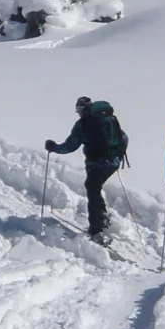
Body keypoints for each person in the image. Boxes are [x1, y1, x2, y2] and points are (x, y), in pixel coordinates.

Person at [44, 95, 129, 245]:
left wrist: (54, 147)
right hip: (113, 162)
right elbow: (124, 138)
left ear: (82, 110)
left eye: (78, 110)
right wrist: (118, 154)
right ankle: (102, 216)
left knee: (93, 189)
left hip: (96, 163)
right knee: (95, 187)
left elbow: (70, 146)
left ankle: (96, 229)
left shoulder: (83, 124)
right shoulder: (108, 118)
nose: (78, 113)